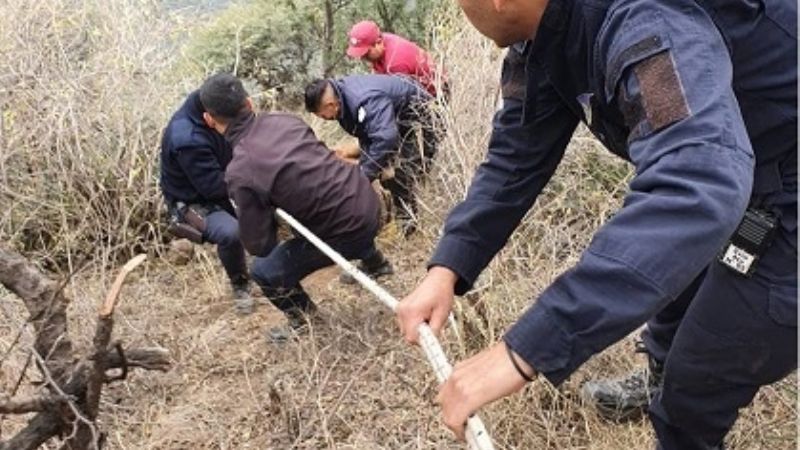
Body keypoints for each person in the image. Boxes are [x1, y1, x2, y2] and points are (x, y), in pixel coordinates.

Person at [395, 1, 797, 449]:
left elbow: (697, 184)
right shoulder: (549, 35)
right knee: (672, 293)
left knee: (699, 380)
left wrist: (524, 351)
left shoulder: (644, 19)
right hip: (750, 169)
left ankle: (682, 409)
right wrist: (448, 266)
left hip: (785, 186)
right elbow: (515, 158)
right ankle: (657, 379)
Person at [198, 73, 393, 342]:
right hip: (369, 200)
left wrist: (264, 213)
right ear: (249, 103)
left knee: (264, 270)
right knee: (329, 213)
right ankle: (376, 262)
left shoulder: (240, 170)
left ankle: (304, 321)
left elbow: (259, 245)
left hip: (350, 228)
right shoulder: (284, 120)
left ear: (210, 120)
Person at [304, 74, 438, 236]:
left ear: (330, 105)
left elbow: (386, 138)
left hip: (420, 118)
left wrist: (364, 174)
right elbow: (367, 133)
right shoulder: (341, 98)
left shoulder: (364, 100)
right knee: (382, 172)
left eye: (321, 115)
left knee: (402, 175)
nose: (323, 119)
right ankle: (398, 217)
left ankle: (410, 227)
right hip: (394, 120)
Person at [159, 89, 254, 315]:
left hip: (226, 179)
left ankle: (271, 262)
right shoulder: (187, 139)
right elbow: (214, 188)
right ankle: (240, 285)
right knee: (231, 233)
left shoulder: (223, 100)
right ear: (209, 118)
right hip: (195, 200)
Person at [347, 20, 447, 98]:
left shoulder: (394, 63)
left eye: (366, 53)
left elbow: (405, 96)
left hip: (436, 94)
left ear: (378, 42)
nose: (363, 57)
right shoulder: (382, 45)